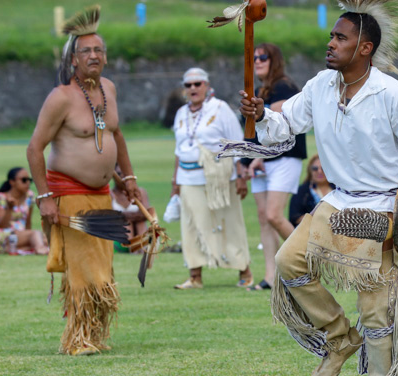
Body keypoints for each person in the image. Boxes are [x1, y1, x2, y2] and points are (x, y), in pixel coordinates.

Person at [231, 0, 398, 376]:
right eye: (331, 36)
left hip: (382, 205)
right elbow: (285, 126)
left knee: (377, 306)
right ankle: (337, 336)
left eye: (340, 38)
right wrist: (263, 114)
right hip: (339, 199)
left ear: (364, 48)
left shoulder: (391, 95)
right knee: (289, 261)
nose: (331, 43)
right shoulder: (322, 86)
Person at [26, 5, 143, 356]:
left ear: (105, 57)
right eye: (86, 51)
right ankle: (77, 340)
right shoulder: (60, 97)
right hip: (69, 195)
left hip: (103, 194)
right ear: (73, 59)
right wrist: (44, 197)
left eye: (98, 50)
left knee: (102, 270)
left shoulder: (108, 88)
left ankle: (93, 334)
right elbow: (34, 149)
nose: (93, 55)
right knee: (84, 273)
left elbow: (116, 136)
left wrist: (128, 177)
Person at [170, 67, 252, 290]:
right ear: (184, 89)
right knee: (192, 225)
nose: (193, 88)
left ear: (206, 85)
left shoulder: (220, 108)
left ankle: (244, 271)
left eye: (198, 84)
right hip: (188, 176)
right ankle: (195, 275)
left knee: (229, 222)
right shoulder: (180, 114)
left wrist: (242, 175)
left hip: (220, 176)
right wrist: (175, 182)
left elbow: (236, 141)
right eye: (189, 85)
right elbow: (179, 150)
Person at [244, 43, 306, 290]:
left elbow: (279, 125)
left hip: (283, 157)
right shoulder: (260, 89)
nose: (257, 61)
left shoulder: (284, 86)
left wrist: (259, 157)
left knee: (274, 215)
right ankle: (270, 276)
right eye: (254, 57)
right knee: (263, 218)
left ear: (275, 61)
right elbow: (252, 131)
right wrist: (247, 160)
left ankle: (304, 260)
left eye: (263, 57)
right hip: (261, 160)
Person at [0, 167, 49, 255]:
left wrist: (28, 235)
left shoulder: (29, 196)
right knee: (35, 234)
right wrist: (10, 208)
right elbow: (2, 225)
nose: (27, 183)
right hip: (3, 235)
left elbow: (28, 222)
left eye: (29, 180)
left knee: (45, 238)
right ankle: (40, 249)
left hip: (21, 234)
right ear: (12, 182)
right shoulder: (1, 198)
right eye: (24, 180)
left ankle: (20, 247)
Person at [111, 165, 150, 251]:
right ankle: (133, 248)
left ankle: (141, 248)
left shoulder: (140, 192)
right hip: (120, 236)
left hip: (138, 231)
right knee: (127, 223)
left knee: (140, 222)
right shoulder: (110, 194)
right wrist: (128, 217)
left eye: (125, 174)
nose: (122, 177)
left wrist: (124, 215)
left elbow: (147, 214)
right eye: (118, 174)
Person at [288, 155, 333, 228]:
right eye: (315, 168)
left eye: (323, 168)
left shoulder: (338, 190)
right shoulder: (302, 191)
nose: (319, 171)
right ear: (310, 170)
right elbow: (294, 217)